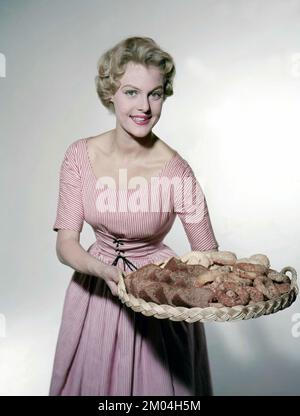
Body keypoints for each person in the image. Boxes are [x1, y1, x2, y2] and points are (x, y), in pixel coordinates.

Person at [49, 36, 219, 396]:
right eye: (131, 92)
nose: (144, 106)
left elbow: (209, 258)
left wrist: (237, 286)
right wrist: (105, 272)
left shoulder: (177, 171)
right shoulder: (79, 156)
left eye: (154, 94)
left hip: (159, 301)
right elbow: (66, 244)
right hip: (95, 292)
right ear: (110, 92)